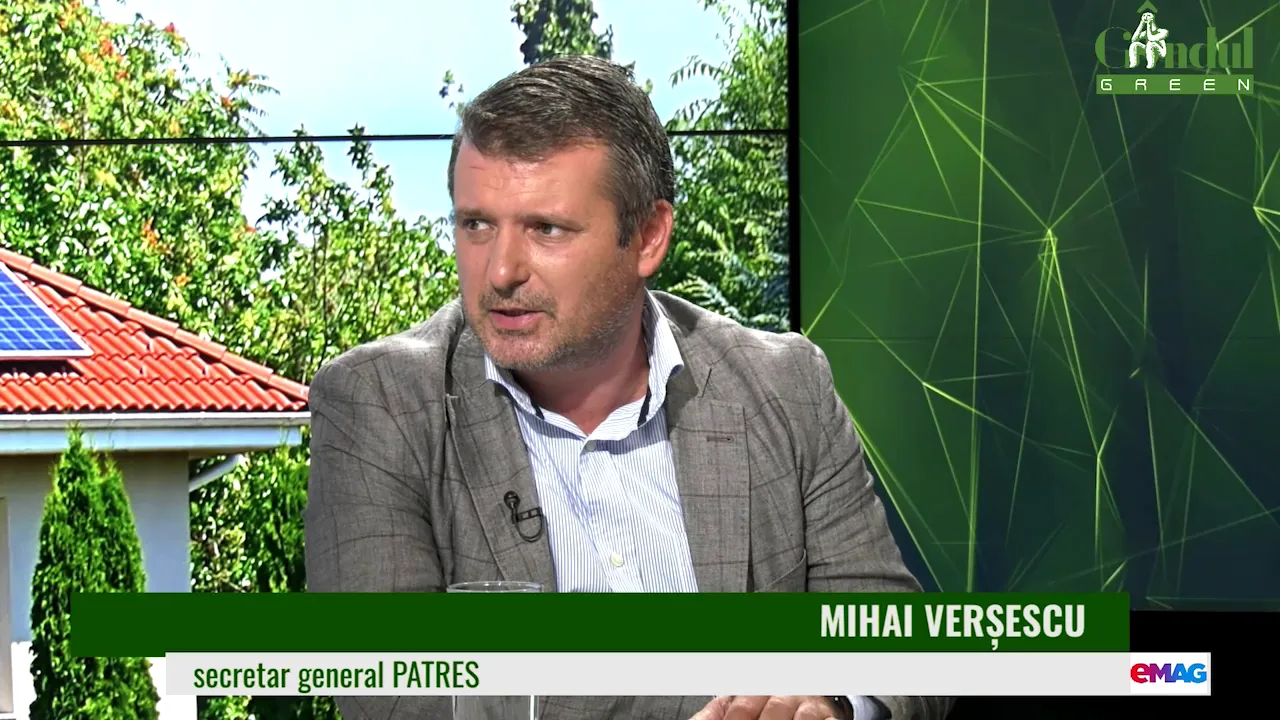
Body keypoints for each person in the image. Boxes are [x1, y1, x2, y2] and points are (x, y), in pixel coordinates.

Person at [304, 54, 952, 720]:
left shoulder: (785, 386)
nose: (499, 271)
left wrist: (828, 704)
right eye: (476, 225)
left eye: (546, 228)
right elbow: (394, 696)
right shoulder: (378, 403)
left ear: (647, 238)